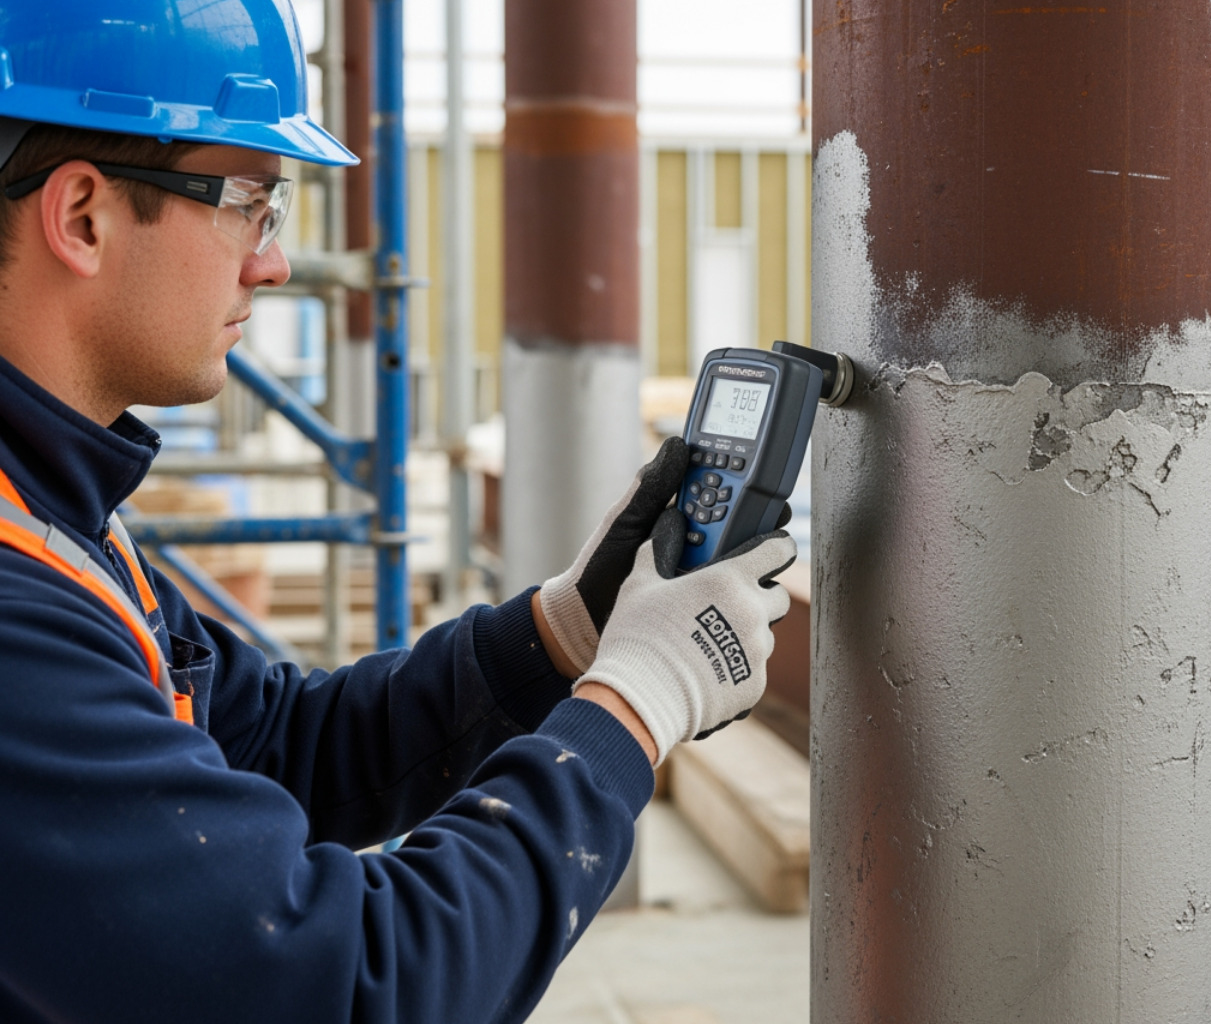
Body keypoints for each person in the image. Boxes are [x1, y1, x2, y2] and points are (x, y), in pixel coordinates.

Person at [0, 3, 794, 1022]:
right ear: (82, 217)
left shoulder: (53, 505)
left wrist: (561, 634)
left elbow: (274, 745)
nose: (272, 263)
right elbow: (351, 988)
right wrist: (637, 703)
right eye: (249, 203)